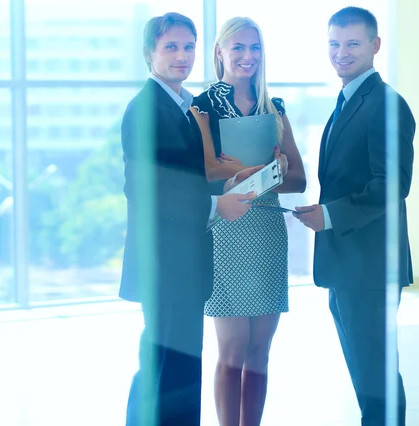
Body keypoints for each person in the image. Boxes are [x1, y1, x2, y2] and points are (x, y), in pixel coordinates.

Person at [119, 12, 261, 426]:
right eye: (171, 48)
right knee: (165, 372)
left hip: (182, 266)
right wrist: (216, 207)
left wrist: (229, 181)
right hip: (164, 267)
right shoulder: (146, 108)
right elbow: (144, 190)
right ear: (150, 54)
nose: (182, 56)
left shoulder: (179, 106)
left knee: (174, 370)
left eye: (188, 47)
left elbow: (183, 178)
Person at [294, 6, 414, 426]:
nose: (340, 53)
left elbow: (392, 185)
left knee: (375, 375)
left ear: (375, 46)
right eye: (334, 44)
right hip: (348, 263)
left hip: (369, 265)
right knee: (367, 375)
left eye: (352, 44)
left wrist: (329, 216)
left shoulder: (386, 104)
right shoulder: (348, 100)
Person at [189, 16, 306, 426]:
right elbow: (202, 175)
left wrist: (247, 171)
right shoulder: (201, 106)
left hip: (267, 233)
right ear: (220, 52)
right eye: (237, 48)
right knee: (233, 348)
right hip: (225, 233)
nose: (247, 56)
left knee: (260, 351)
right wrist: (263, 169)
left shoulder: (273, 108)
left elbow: (297, 179)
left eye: (254, 48)